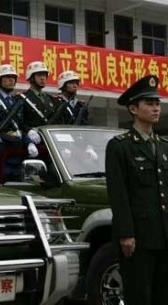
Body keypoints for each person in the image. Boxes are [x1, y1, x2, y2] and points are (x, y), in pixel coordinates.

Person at [105, 75, 168, 305]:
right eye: (149, 104)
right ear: (133, 108)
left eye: (157, 104)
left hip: (163, 235)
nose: (155, 108)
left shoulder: (163, 146)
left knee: (163, 296)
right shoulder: (120, 146)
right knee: (139, 296)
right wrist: (126, 234)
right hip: (139, 238)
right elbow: (118, 193)